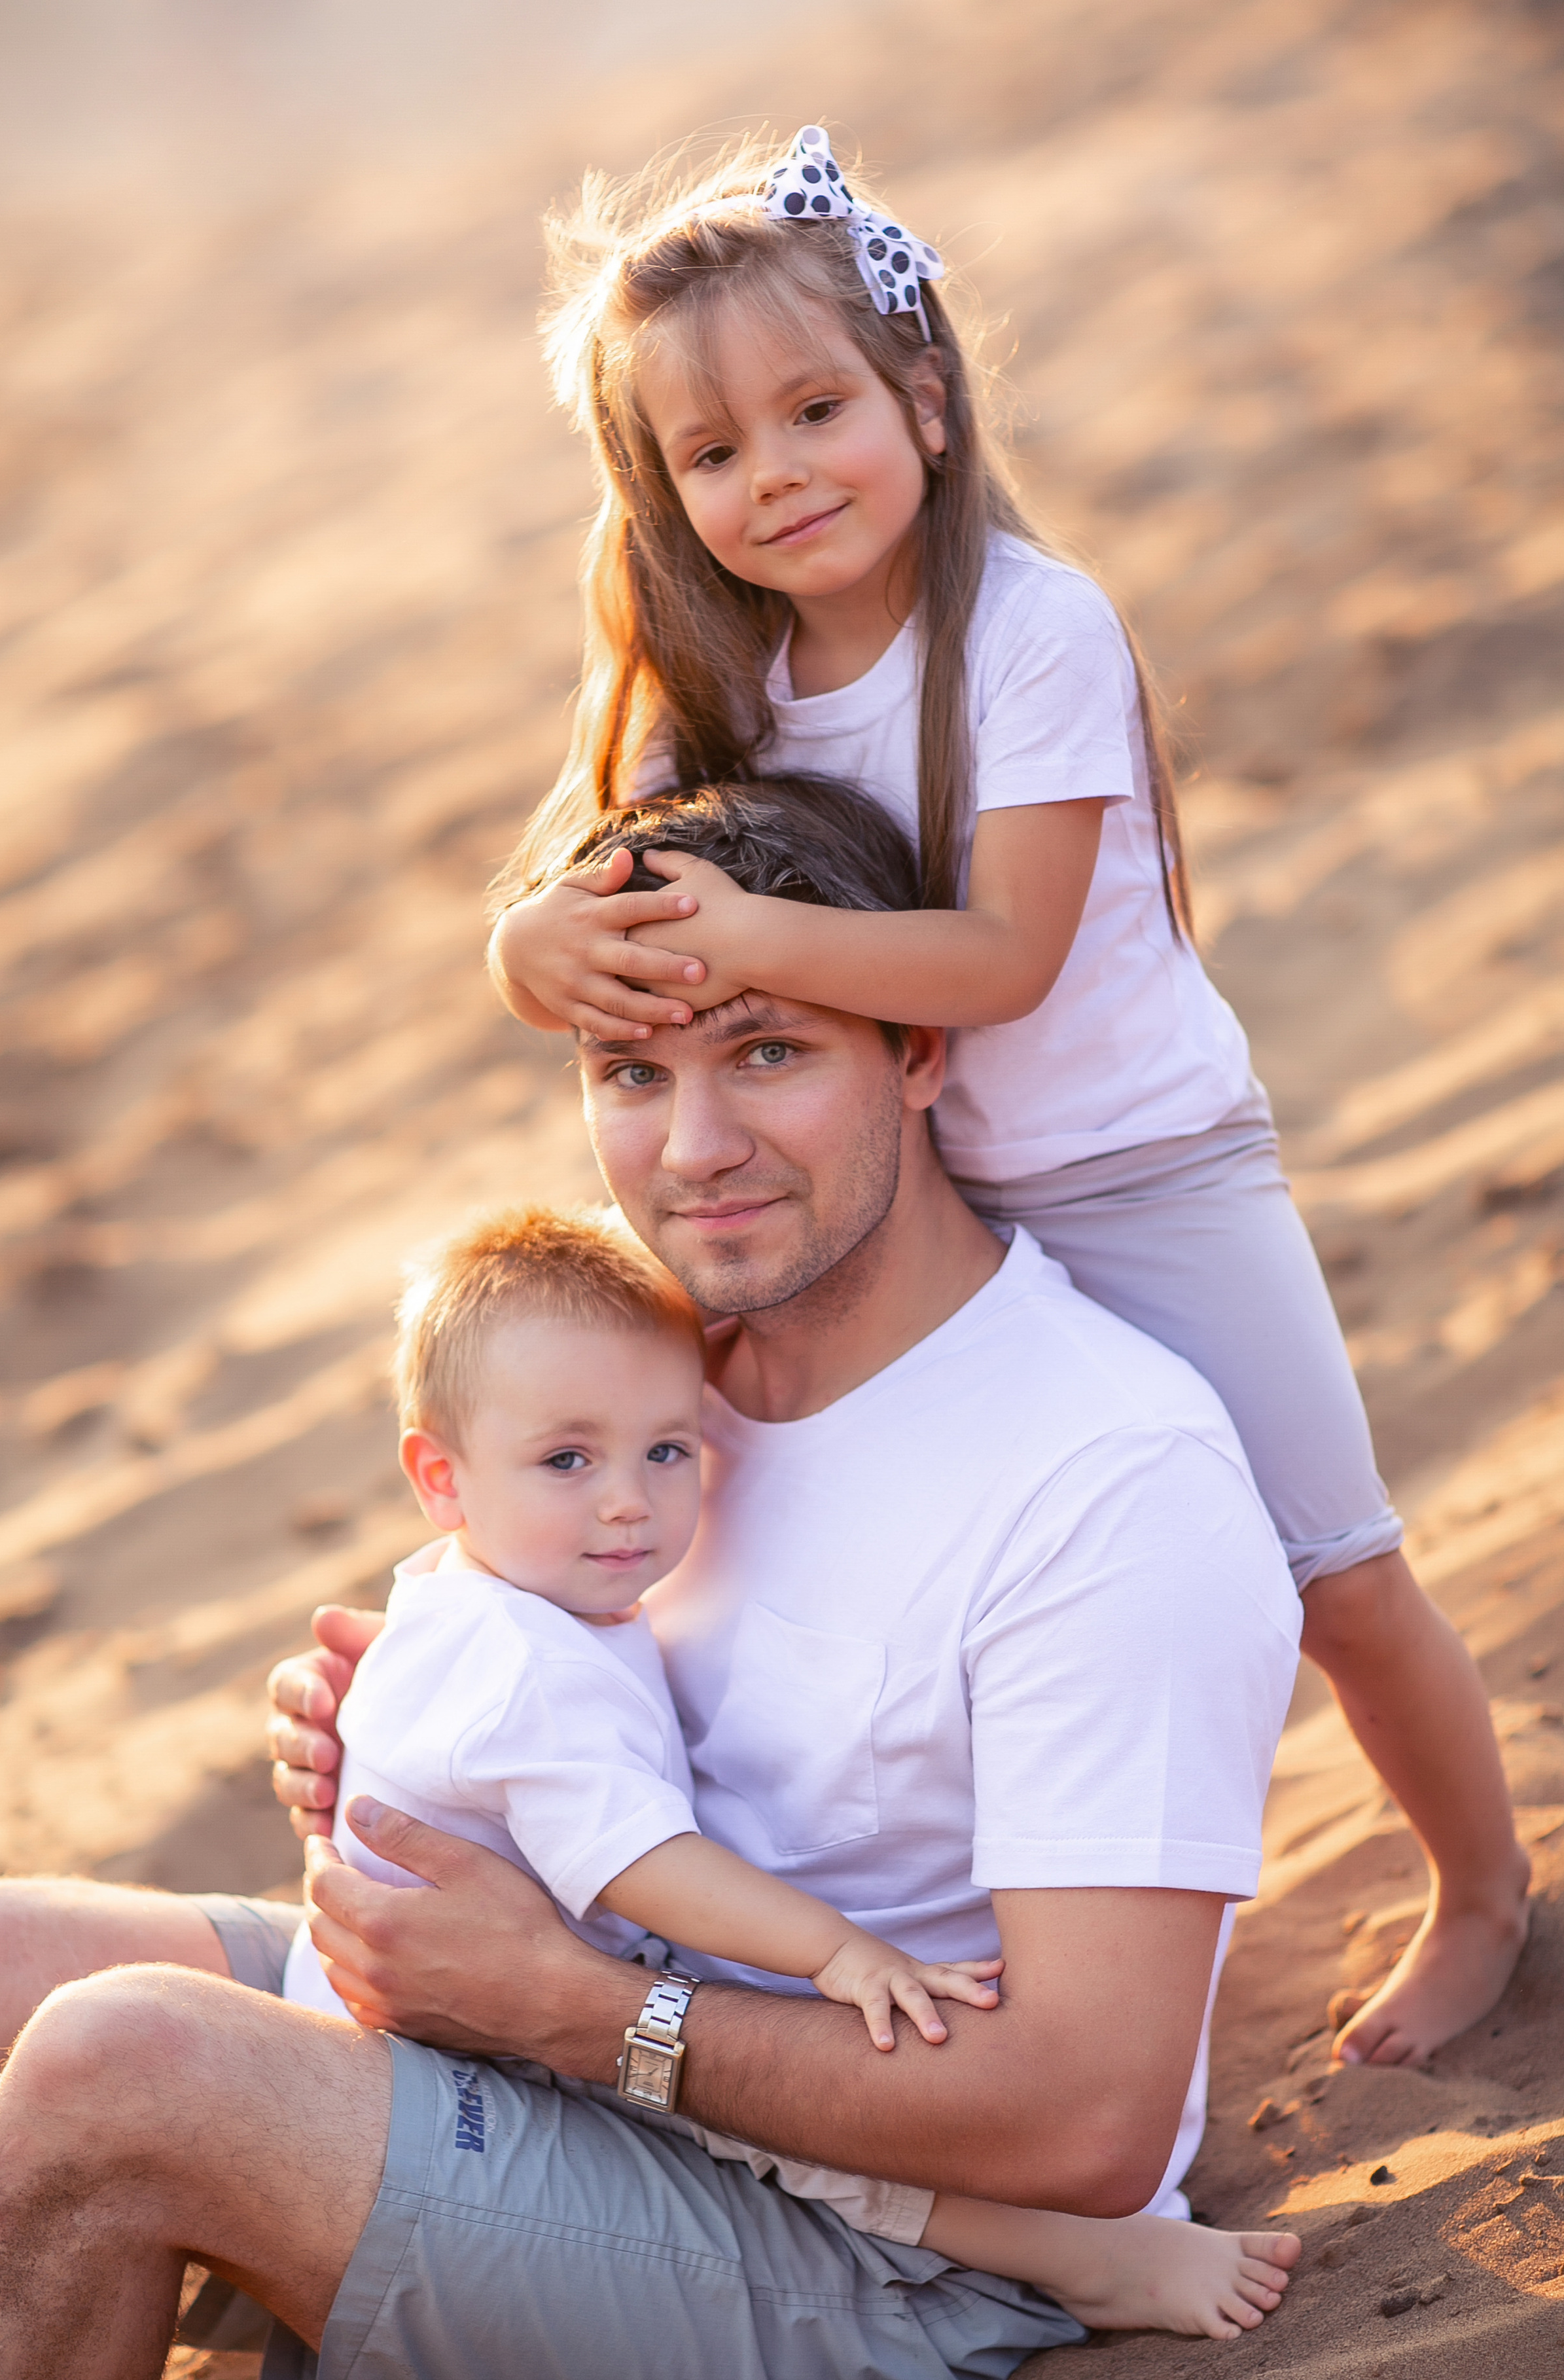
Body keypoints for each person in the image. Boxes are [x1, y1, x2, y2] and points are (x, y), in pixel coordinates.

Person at [0, 784, 1301, 2380]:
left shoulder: (1103, 1479)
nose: (691, 1147)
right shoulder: (656, 1368)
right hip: (579, 2051)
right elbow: (550, 1654)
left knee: (126, 2072)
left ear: (920, 1049)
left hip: (888, 2252)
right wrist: (386, 1729)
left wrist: (585, 2016)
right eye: (633, 1072)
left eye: (767, 1052)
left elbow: (1089, 2124)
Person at [482, 123, 1529, 2069]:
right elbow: (585, 874)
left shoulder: (1033, 632)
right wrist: (523, 944)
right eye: (714, 454)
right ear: (659, 488)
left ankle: (1480, 1885)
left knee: (1335, 1568)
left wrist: (754, 943)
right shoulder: (706, 662)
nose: (776, 475)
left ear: (929, 403)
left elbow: (1003, 961)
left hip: (1143, 1165)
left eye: (817, 411)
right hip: (919, 1194)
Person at [286, 1187, 1295, 2339]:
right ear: (441, 1478)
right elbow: (637, 1860)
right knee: (759, 2132)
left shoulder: (491, 1587)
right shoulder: (524, 1654)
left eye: (668, 1449)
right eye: (568, 1460)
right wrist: (838, 1952)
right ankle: (1084, 2261)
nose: (628, 1503)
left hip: (426, 1988)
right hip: (460, 2031)